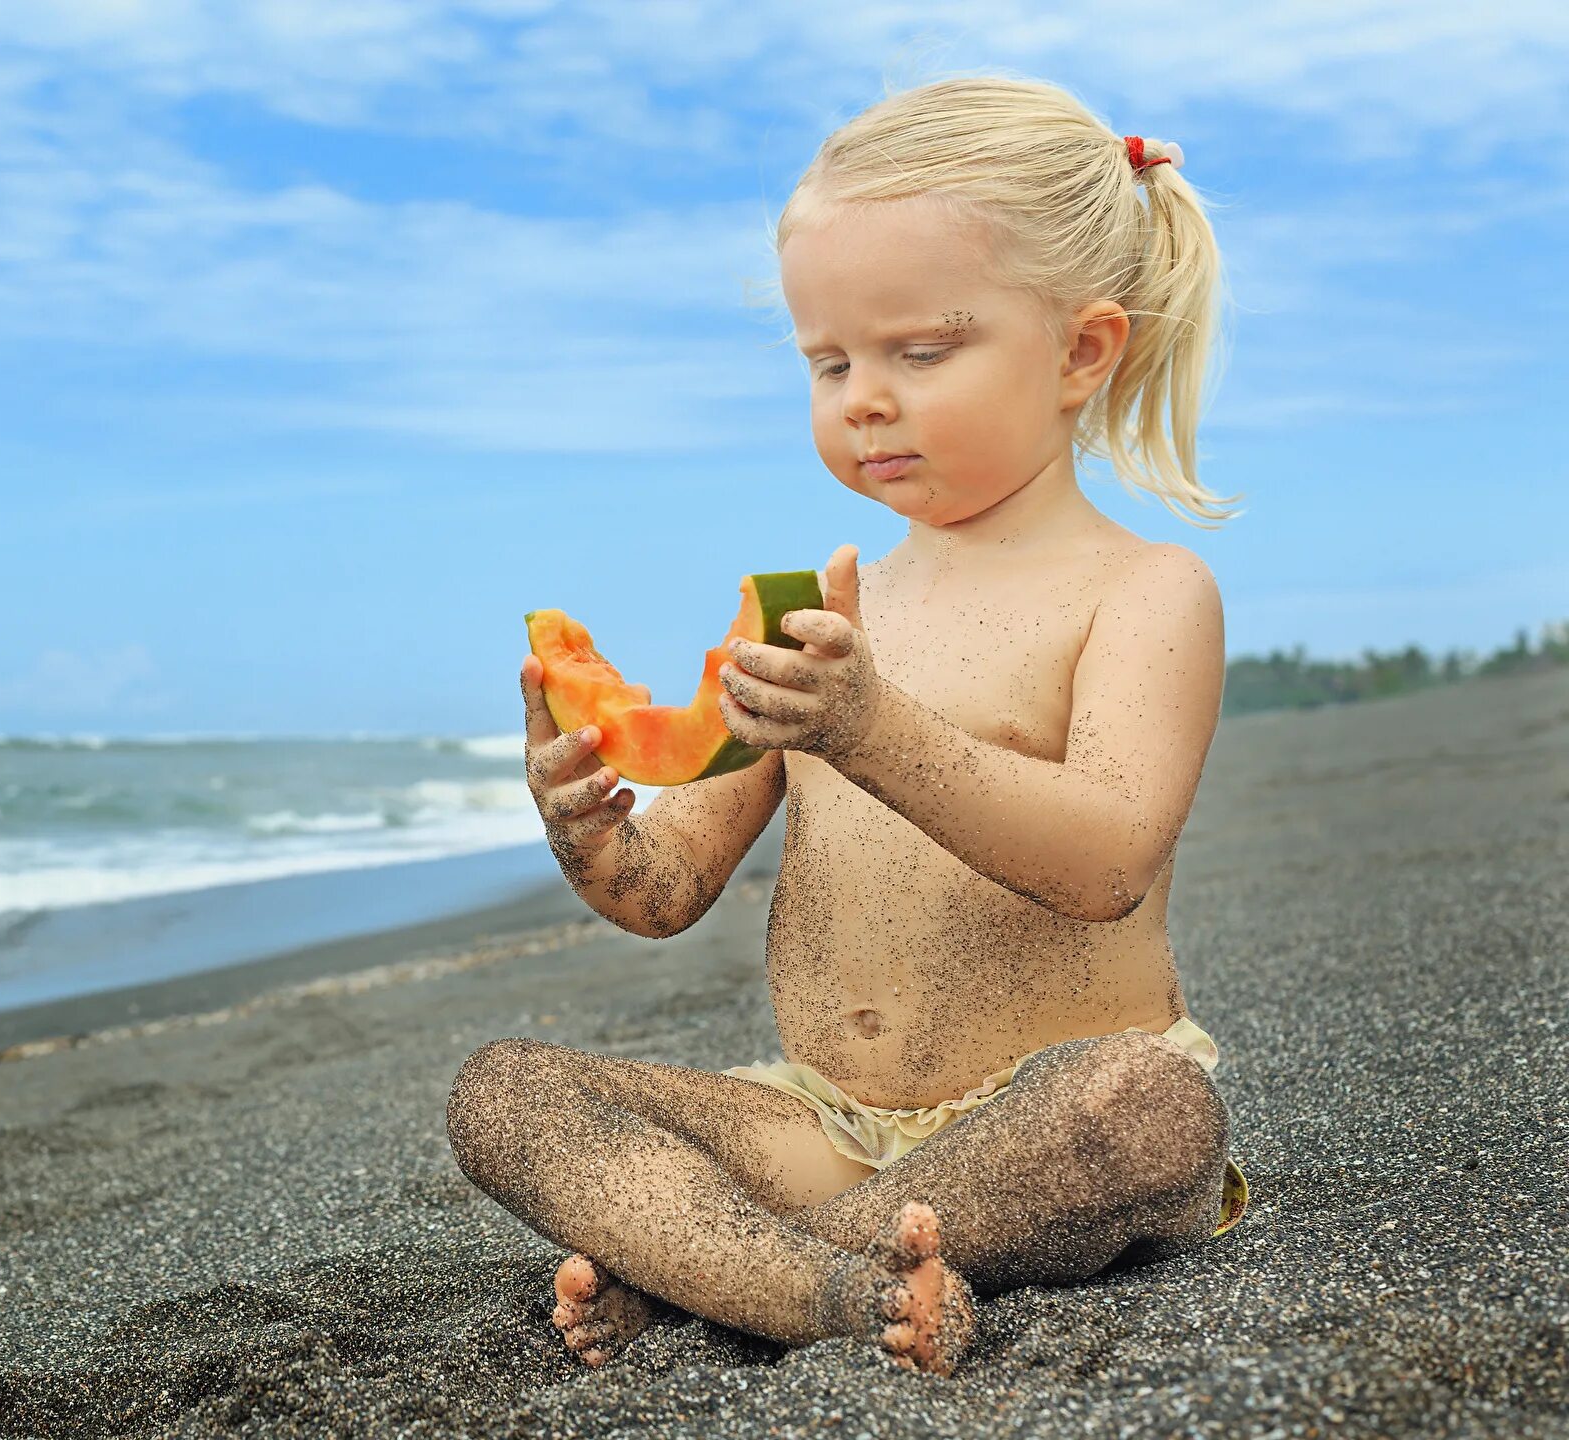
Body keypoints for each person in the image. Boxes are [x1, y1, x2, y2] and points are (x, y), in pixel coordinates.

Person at [446, 76, 1245, 1378]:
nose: (863, 396)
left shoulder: (1145, 592)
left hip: (1034, 1115)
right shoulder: (812, 608)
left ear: (1082, 352)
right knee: (504, 1090)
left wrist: (870, 726)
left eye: (920, 353)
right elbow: (666, 890)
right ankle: (816, 1283)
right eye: (830, 362)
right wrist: (592, 835)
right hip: (812, 1123)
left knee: (1148, 1110)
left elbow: (1106, 862)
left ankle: (731, 1275)